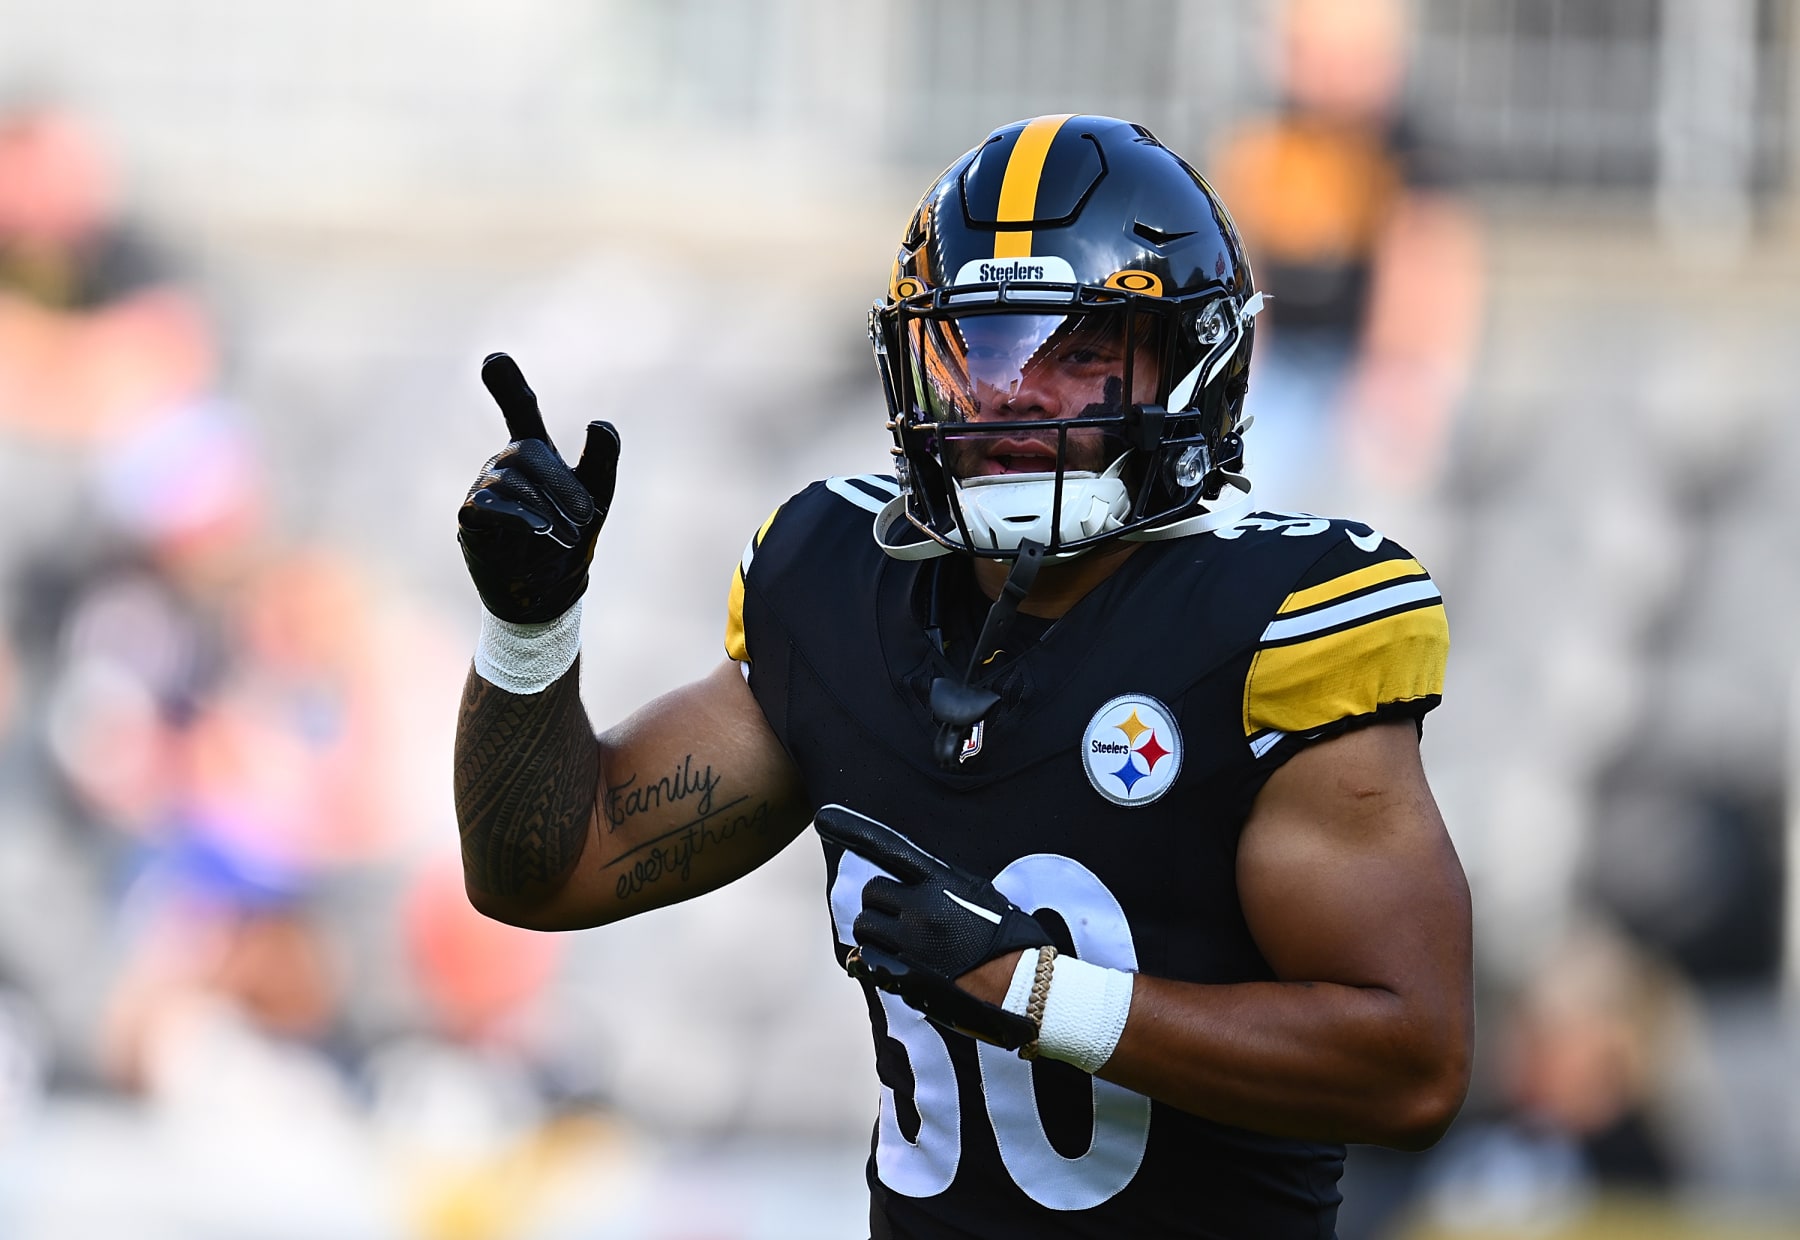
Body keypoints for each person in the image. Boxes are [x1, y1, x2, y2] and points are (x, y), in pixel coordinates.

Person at [453, 114, 1473, 1238]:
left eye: (1079, 349)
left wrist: (1041, 996)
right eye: (975, 347)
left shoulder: (1276, 621)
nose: (1013, 392)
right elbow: (543, 873)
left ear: (1195, 364)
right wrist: (529, 630)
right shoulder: (832, 585)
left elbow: (1409, 1068)